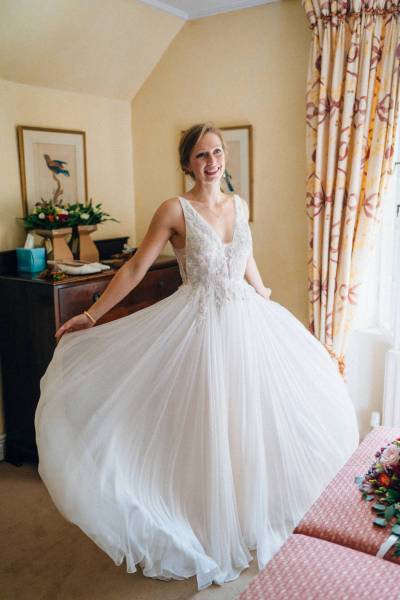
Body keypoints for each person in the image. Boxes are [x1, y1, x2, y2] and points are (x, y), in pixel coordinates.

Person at [35, 123, 359, 591]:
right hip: (200, 327)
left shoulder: (238, 204)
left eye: (219, 152)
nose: (213, 162)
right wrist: (90, 314)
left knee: (254, 420)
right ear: (187, 162)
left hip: (246, 323)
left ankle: (249, 515)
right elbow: (135, 268)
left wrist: (263, 290)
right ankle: (202, 519)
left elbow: (244, 257)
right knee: (207, 427)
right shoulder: (175, 209)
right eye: (203, 155)